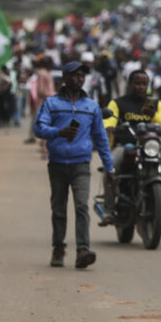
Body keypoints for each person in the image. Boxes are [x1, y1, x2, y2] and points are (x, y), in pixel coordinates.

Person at [34, 61, 115, 269]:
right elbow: (39, 128)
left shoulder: (91, 106)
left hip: (81, 164)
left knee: (81, 206)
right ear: (65, 78)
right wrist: (58, 132)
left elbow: (101, 138)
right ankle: (58, 248)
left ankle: (82, 250)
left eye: (82, 76)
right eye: (75, 75)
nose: (80, 79)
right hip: (57, 164)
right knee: (58, 208)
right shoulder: (51, 104)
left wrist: (109, 167)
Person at [100, 69, 161, 224]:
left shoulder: (155, 104)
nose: (141, 87)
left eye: (144, 84)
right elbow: (108, 120)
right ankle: (108, 209)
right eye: (137, 83)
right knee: (111, 166)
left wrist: (153, 116)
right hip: (125, 146)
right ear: (129, 84)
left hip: (150, 148)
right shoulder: (118, 103)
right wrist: (109, 127)